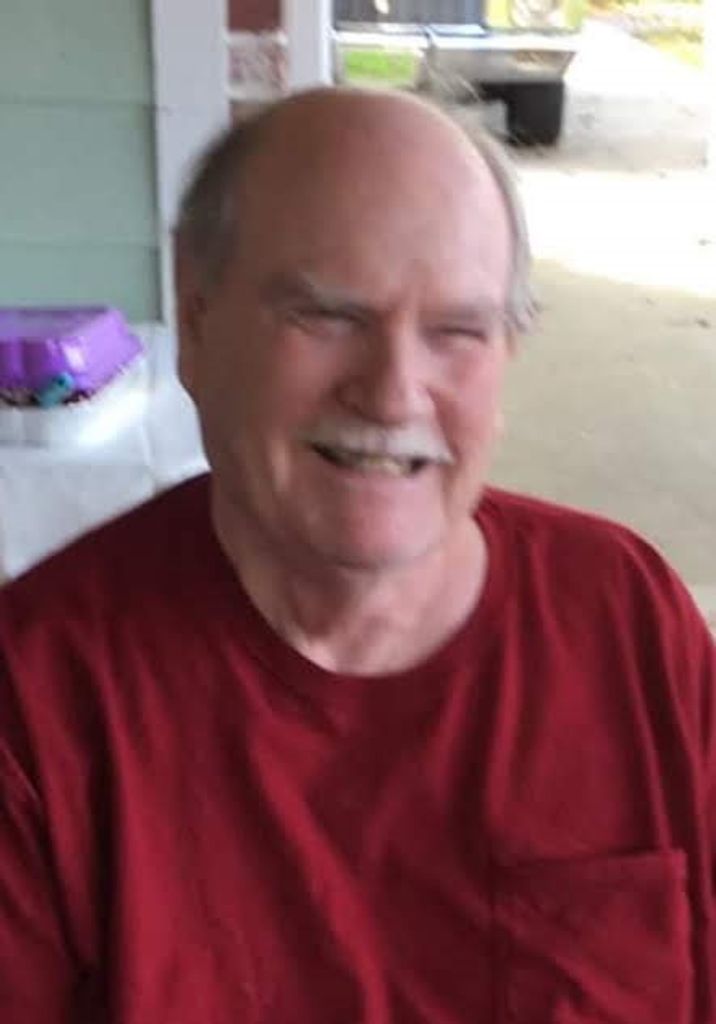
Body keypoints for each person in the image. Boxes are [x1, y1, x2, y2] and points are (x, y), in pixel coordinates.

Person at [0, 86, 714, 1024]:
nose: (391, 393)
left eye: (457, 331)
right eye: (328, 315)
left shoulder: (627, 615)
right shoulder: (37, 696)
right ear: (198, 322)